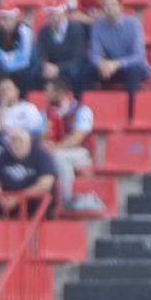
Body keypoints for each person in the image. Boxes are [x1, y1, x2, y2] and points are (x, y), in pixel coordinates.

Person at [43, 77, 102, 212]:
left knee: (59, 157)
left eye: (49, 91)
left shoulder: (82, 110)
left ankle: (66, 199)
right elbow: (40, 137)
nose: (45, 95)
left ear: (61, 93)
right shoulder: (47, 113)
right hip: (55, 150)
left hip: (81, 154)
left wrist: (55, 148)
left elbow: (77, 137)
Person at [89, 0, 150, 117]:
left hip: (131, 67)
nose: (109, 8)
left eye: (112, 5)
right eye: (105, 6)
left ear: (120, 7)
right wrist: (102, 64)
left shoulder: (133, 24)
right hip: (110, 67)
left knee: (133, 72)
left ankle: (130, 115)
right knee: (87, 71)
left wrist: (116, 64)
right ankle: (94, 114)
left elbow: (139, 56)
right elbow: (94, 54)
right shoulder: (97, 26)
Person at [0, 129, 57, 217]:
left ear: (29, 143)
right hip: (8, 197)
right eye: (14, 141)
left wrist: (18, 198)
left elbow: (45, 184)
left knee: (39, 203)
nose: (17, 144)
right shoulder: (4, 155)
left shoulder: (42, 155)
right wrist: (0, 198)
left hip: (32, 198)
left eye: (21, 141)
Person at [32, 0, 89, 96]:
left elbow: (78, 58)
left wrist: (58, 68)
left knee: (77, 72)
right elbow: (41, 55)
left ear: (63, 14)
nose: (52, 18)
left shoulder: (76, 29)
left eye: (55, 14)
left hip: (69, 67)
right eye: (50, 15)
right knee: (35, 73)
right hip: (51, 68)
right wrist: (46, 66)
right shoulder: (44, 32)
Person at [0, 5, 33, 89]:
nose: (6, 22)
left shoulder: (25, 32)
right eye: (3, 19)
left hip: (21, 70)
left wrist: (9, 67)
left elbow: (25, 58)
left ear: (15, 19)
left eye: (9, 19)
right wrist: (4, 65)